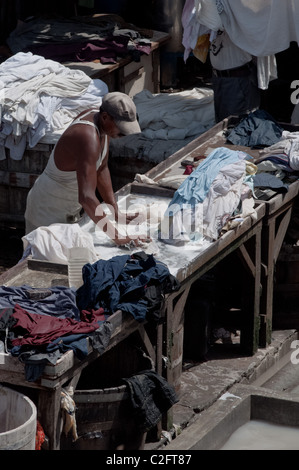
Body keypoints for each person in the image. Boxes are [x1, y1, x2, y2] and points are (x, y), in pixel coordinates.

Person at [25, 91, 147, 246]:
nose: (123, 133)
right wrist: (118, 238)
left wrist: (116, 213)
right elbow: (86, 197)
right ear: (105, 117)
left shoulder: (103, 127)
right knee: (44, 258)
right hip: (47, 210)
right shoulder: (87, 136)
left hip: (69, 207)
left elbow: (101, 168)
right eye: (121, 128)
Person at [210, 29, 261, 122]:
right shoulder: (213, 19)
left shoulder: (238, 17)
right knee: (222, 121)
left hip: (237, 78)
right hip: (220, 78)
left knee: (237, 121)